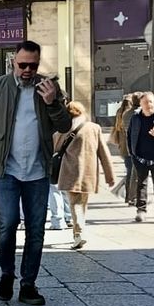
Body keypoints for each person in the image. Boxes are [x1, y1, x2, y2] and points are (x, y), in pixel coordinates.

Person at [0, 39, 73, 305]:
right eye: (22, 64)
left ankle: (28, 284)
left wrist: (52, 103)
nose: (27, 70)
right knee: (8, 224)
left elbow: (65, 125)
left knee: (36, 229)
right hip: (7, 169)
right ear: (13, 61)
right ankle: (6, 273)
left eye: (32, 66)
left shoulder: (49, 87)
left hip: (37, 170)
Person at [53, 101, 116, 250]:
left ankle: (79, 233)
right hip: (88, 173)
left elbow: (54, 148)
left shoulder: (62, 130)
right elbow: (103, 153)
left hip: (70, 172)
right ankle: (79, 232)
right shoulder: (94, 128)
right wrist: (110, 176)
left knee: (75, 203)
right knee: (81, 203)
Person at [126, 91, 154, 222]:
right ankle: (141, 210)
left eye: (150, 102)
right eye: (145, 102)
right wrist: (132, 153)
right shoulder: (136, 118)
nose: (148, 104)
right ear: (140, 104)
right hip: (140, 158)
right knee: (141, 184)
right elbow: (129, 135)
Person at [110, 92, 138, 200]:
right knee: (132, 173)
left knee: (129, 171)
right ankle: (128, 195)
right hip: (130, 147)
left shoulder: (119, 113)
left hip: (123, 147)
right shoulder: (129, 114)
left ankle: (126, 194)